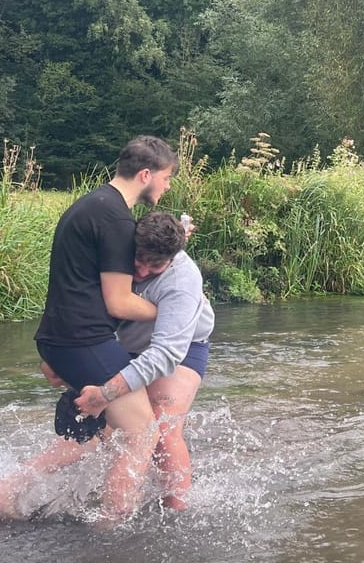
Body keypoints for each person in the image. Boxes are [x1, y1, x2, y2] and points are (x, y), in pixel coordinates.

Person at [0, 135, 178, 523]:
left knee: (98, 431)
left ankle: (4, 492)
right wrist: (168, 311)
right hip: (84, 339)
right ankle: (111, 528)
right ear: (145, 174)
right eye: (167, 177)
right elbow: (118, 302)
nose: (168, 185)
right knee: (142, 433)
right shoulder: (116, 218)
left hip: (61, 338)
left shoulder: (90, 204)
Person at [75, 211, 214, 510]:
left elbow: (165, 355)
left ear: (171, 259)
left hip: (180, 346)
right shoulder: (118, 249)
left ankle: (177, 509)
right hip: (127, 343)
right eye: (138, 259)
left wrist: (105, 393)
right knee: (109, 424)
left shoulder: (182, 280)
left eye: (156, 265)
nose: (142, 270)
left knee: (163, 424)